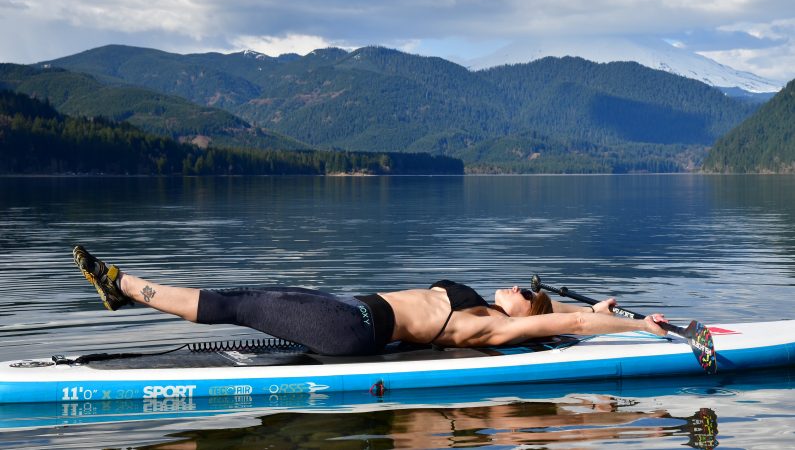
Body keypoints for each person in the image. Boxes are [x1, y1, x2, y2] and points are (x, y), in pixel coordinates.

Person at [73, 245, 668, 356]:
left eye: (522, 293)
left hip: (354, 326)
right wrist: (605, 312)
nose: (513, 286)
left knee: (242, 301)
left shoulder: (496, 331)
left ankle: (122, 286)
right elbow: (571, 321)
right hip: (345, 312)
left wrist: (635, 324)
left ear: (526, 314)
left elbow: (561, 326)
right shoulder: (486, 313)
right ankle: (126, 292)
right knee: (257, 295)